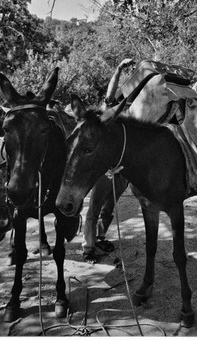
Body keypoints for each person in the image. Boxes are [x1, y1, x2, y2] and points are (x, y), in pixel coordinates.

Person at [79, 58, 134, 264]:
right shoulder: (109, 111)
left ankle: (100, 238)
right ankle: (88, 248)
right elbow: (110, 94)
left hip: (123, 170)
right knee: (94, 208)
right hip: (105, 169)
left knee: (109, 207)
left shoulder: (133, 114)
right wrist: (119, 69)